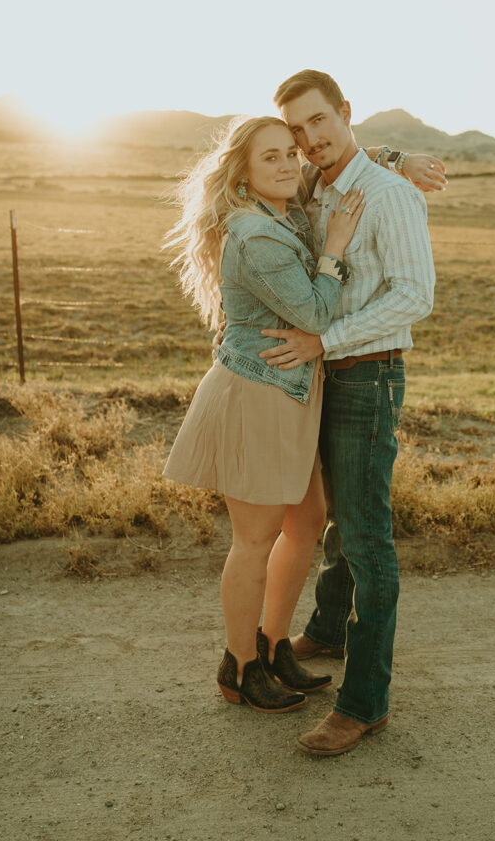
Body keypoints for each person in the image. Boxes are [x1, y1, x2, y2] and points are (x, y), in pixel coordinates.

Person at [258, 70, 436, 755]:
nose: (309, 140)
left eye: (318, 122)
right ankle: (329, 629)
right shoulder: (311, 189)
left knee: (365, 537)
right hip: (321, 378)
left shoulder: (392, 197)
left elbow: (412, 296)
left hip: (368, 377)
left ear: (344, 112)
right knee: (335, 513)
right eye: (297, 131)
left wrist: (323, 340)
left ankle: (364, 702)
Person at [163, 114, 365, 712]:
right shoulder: (255, 235)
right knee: (254, 538)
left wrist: (397, 159)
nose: (288, 166)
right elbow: (314, 316)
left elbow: (344, 154)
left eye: (290, 155)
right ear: (244, 176)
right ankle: (239, 666)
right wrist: (333, 248)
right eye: (271, 158)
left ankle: (275, 646)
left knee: (306, 522)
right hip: (257, 394)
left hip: (291, 393)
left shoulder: (282, 209)